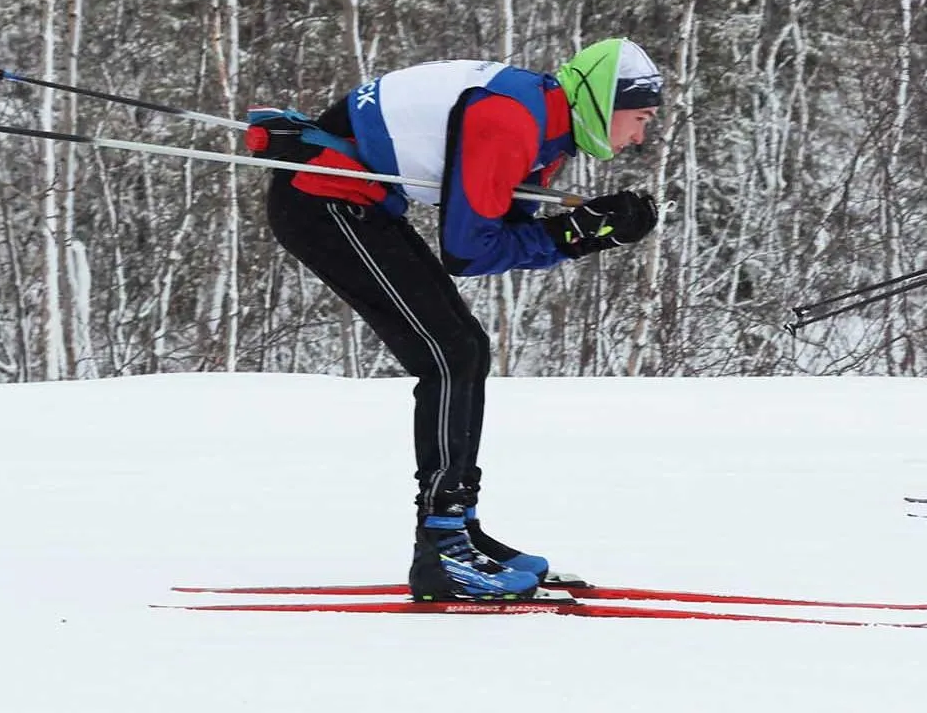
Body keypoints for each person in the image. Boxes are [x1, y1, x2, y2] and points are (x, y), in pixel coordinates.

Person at [248, 38, 665, 600]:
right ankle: (442, 544)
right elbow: (469, 250)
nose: (640, 137)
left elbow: (503, 233)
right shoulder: (512, 119)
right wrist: (579, 234)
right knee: (450, 354)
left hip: (354, 201)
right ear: (602, 101)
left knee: (463, 348)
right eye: (638, 118)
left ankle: (457, 527)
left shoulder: (546, 128)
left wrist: (589, 230)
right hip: (321, 199)